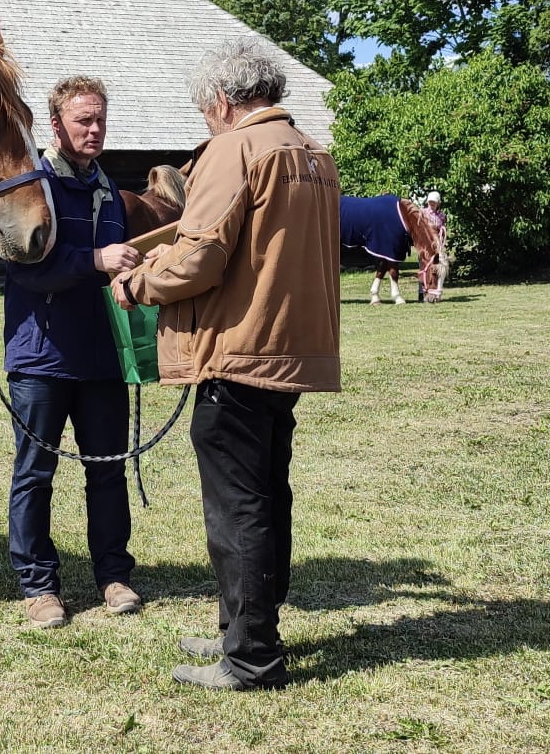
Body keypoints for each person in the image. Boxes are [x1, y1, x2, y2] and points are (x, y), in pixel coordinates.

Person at [110, 40, 341, 689]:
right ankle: (242, 629)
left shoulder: (233, 149)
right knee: (266, 497)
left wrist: (136, 284)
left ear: (221, 101)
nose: (206, 123)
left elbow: (199, 257)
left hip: (236, 352)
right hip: (290, 351)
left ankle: (251, 658)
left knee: (238, 508)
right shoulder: (314, 154)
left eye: (205, 112)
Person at [3, 75, 144, 629]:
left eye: (101, 119)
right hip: (41, 359)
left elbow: (117, 261)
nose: (95, 129)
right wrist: (96, 262)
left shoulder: (109, 188)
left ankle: (113, 576)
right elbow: (23, 267)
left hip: (103, 357)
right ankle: (38, 587)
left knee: (107, 470)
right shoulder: (30, 185)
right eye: (83, 120)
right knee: (34, 473)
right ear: (56, 124)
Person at [418, 191, 447, 302]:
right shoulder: (422, 213)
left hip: (437, 246)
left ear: (438, 203)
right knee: (423, 269)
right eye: (430, 202)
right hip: (425, 246)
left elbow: (443, 229)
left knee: (436, 269)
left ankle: (435, 293)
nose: (431, 204)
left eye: (434, 202)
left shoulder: (442, 216)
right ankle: (422, 293)